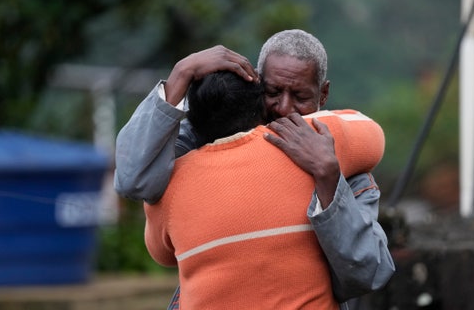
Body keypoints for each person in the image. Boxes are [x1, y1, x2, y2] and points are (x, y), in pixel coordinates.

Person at [114, 29, 394, 308]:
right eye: (273, 92)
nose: (284, 108)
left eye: (300, 96)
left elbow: (367, 274)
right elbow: (131, 180)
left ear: (324, 94)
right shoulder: (207, 138)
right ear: (256, 84)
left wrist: (329, 180)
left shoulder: (340, 164)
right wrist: (181, 73)